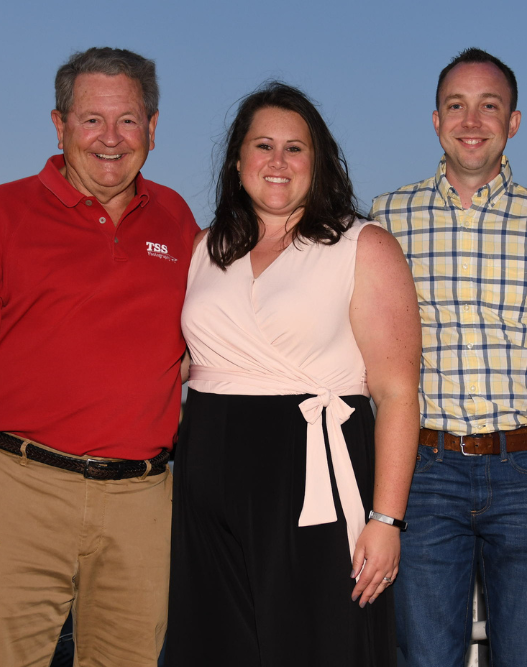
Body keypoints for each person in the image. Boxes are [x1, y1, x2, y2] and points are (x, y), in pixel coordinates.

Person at [0, 47, 199, 667]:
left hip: (141, 500)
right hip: (17, 492)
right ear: (59, 124)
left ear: (153, 128)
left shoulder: (178, 220)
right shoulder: (3, 211)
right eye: (91, 120)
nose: (110, 139)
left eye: (127, 120)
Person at [164, 82, 420, 667]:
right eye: (262, 146)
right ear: (237, 161)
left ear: (319, 163)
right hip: (206, 475)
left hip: (317, 480)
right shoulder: (204, 250)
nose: (277, 162)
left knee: (318, 644)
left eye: (295, 148)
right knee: (214, 645)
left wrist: (386, 520)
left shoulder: (363, 245)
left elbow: (398, 393)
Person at [369, 48, 527, 667]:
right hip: (423, 471)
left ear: (513, 122)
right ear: (435, 120)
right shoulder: (385, 219)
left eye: (489, 106)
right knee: (425, 658)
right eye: (456, 106)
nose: (472, 120)